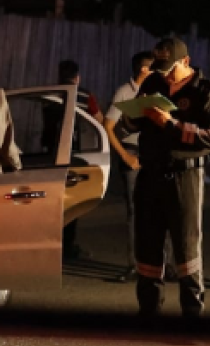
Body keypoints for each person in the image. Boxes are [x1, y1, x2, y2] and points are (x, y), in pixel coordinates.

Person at [116, 38, 210, 317]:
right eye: (159, 68)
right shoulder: (152, 84)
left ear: (186, 62)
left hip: (184, 177)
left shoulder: (205, 90)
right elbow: (127, 125)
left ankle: (192, 312)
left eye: (169, 68)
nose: (162, 74)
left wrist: (170, 124)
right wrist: (134, 113)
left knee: (187, 247)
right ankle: (148, 311)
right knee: (147, 246)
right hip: (150, 175)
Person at [105, 51, 173, 283]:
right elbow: (108, 125)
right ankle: (135, 265)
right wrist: (125, 156)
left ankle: (166, 264)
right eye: (153, 69)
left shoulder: (159, 90)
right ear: (144, 70)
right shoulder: (125, 92)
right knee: (136, 211)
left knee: (162, 207)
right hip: (134, 154)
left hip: (156, 155)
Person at [47, 59, 100, 261]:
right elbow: (100, 120)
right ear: (77, 77)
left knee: (53, 202)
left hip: (52, 153)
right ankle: (67, 247)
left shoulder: (51, 93)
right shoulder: (85, 96)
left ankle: (54, 245)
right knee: (73, 201)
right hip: (75, 154)